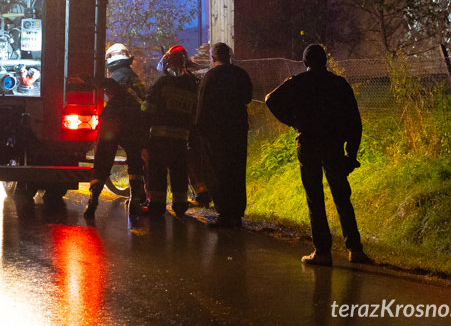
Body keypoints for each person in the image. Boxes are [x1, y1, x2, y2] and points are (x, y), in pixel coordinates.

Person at [265, 44, 371, 266]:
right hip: (333, 145)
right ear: (325, 61)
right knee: (342, 196)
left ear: (305, 63)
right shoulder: (339, 84)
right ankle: (355, 249)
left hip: (308, 143)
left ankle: (322, 252)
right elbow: (354, 122)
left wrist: (292, 121)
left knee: (315, 198)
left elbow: (269, 99)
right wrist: (351, 154)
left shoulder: (298, 83)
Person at [83, 43, 148, 219]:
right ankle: (135, 199)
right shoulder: (136, 79)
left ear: (110, 62)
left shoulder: (116, 77)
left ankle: (93, 199)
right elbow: (144, 104)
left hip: (112, 122)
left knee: (103, 159)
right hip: (133, 123)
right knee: (135, 161)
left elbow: (110, 88)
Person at [194, 42, 253, 228]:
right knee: (236, 171)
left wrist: (199, 129)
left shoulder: (210, 77)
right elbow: (248, 98)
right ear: (229, 56)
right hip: (237, 131)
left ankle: (224, 214)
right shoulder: (240, 74)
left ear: (213, 58)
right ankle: (236, 214)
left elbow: (202, 106)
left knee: (217, 172)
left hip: (215, 134)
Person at [142, 45, 199, 217]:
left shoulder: (162, 83)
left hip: (160, 138)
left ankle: (157, 205)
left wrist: (140, 111)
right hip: (181, 139)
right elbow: (194, 112)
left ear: (167, 64)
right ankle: (180, 204)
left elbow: (148, 108)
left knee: (158, 172)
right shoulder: (190, 85)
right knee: (179, 172)